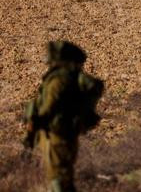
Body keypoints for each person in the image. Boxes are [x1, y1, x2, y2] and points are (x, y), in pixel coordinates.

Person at [24, 41, 104, 192]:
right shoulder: (68, 77)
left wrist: (35, 121)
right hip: (64, 134)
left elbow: (49, 107)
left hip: (56, 136)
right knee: (64, 179)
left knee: (58, 179)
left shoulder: (58, 80)